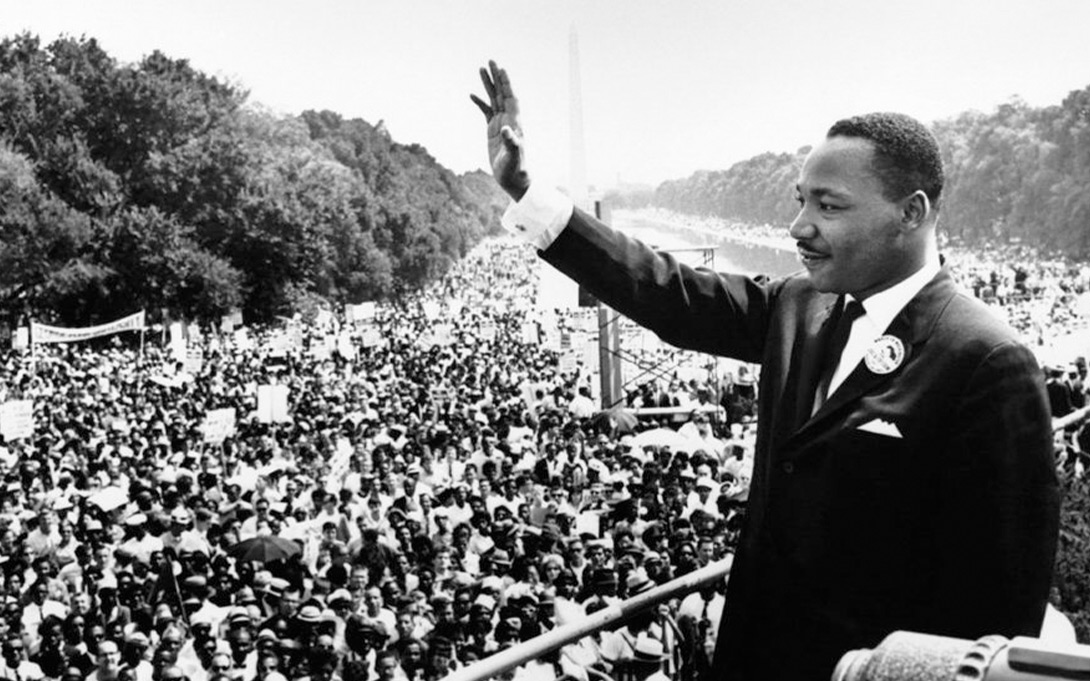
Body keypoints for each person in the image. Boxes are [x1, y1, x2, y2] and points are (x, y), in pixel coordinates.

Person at [471, 61, 1059, 681]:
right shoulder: (799, 304)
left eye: (828, 206)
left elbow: (995, 611)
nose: (799, 226)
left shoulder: (987, 361)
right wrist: (528, 191)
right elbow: (665, 291)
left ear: (911, 213)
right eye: (801, 200)